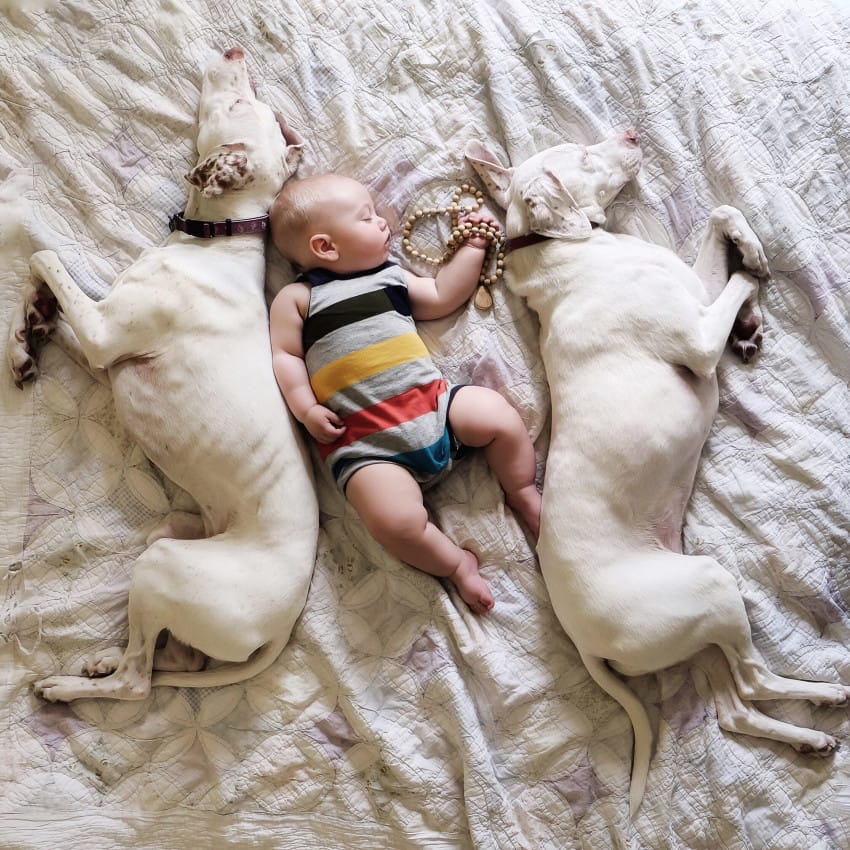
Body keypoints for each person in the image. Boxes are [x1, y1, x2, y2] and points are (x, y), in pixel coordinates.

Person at [268, 174, 540, 614]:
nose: (383, 223)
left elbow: (441, 294)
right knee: (392, 522)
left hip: (434, 407)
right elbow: (285, 357)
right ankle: (456, 566)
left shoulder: (390, 278)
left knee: (496, 415)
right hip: (367, 446)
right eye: (367, 217)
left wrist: (473, 248)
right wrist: (305, 409)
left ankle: (523, 490)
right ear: (325, 247)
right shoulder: (299, 298)